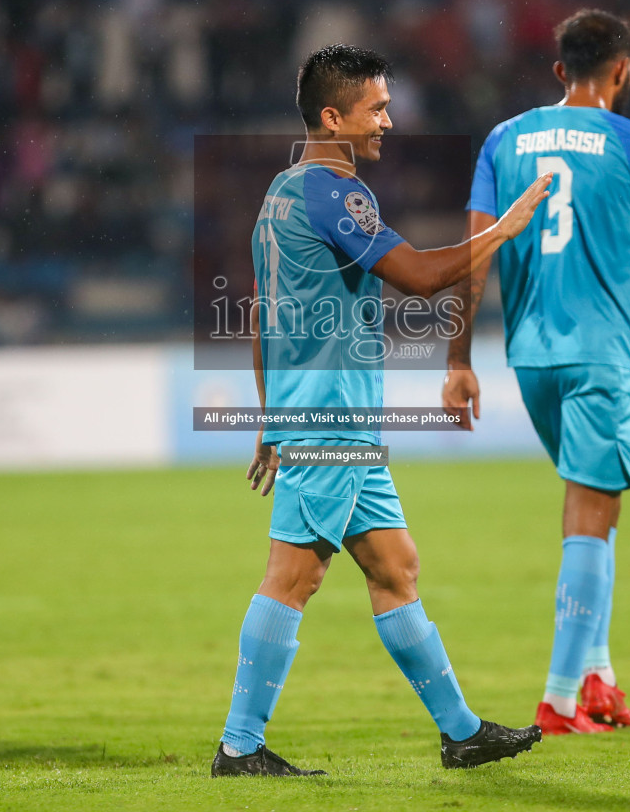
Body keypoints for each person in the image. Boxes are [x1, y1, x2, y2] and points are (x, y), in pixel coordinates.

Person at [212, 44, 553, 777]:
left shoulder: (280, 194)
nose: (389, 122)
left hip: (328, 417)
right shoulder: (337, 194)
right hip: (331, 414)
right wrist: (504, 228)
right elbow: (421, 279)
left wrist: (272, 420)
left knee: (396, 568)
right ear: (332, 117)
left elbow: (260, 315)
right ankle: (239, 746)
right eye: (376, 108)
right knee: (292, 578)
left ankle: (460, 733)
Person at [440, 10, 630, 735]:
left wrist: (459, 360)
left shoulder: (503, 139)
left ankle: (597, 678)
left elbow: (476, 254)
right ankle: (557, 701)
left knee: (597, 512)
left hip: (531, 358)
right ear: (623, 72)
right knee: (591, 517)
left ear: (560, 71)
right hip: (602, 357)